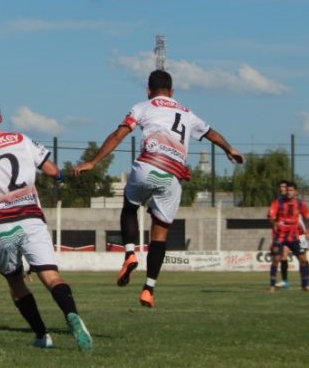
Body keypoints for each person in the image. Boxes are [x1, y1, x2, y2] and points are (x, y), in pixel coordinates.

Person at [74, 69, 244, 308]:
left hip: (147, 165)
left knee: (129, 207)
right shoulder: (187, 113)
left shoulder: (143, 107)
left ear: (148, 90)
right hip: (172, 176)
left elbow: (118, 135)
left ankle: (130, 254)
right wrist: (230, 149)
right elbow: (211, 134)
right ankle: (148, 289)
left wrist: (93, 162)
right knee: (160, 234)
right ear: (172, 92)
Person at [0, 98, 92, 351]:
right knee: (51, 276)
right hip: (31, 219)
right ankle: (72, 315)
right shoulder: (21, 139)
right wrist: (63, 175)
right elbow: (51, 170)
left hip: (0, 224)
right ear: (0, 118)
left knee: (15, 282)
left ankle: (42, 335)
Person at [267, 181, 309, 292]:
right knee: (276, 259)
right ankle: (272, 285)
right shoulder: (278, 203)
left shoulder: (300, 204)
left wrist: (307, 231)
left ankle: (305, 285)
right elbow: (270, 216)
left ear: (295, 192)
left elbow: (306, 216)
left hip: (294, 237)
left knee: (303, 259)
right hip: (280, 236)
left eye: (291, 190)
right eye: (287, 190)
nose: (289, 192)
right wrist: (275, 223)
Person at [273, 180, 291, 288]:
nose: (282, 188)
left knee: (304, 257)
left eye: (284, 186)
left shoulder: (294, 199)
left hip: (299, 231)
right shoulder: (278, 201)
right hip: (286, 233)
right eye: (280, 187)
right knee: (284, 255)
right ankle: (285, 281)